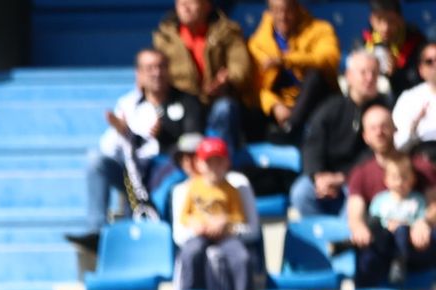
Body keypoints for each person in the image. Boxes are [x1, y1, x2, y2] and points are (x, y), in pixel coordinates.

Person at [69, 48, 204, 250]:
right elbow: (108, 149)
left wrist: (165, 137)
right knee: (95, 160)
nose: (156, 73)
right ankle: (97, 232)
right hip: (133, 173)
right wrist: (121, 132)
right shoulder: (128, 104)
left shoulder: (187, 102)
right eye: (150, 68)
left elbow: (194, 142)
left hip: (170, 172)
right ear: (139, 74)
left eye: (161, 67)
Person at [346, 102, 436, 285]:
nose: (379, 132)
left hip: (416, 242)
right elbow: (355, 214)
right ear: (365, 136)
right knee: (365, 255)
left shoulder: (421, 167)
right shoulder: (361, 173)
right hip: (382, 243)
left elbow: (434, 205)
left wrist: (424, 222)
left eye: (384, 126)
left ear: (395, 129)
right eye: (373, 128)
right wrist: (359, 228)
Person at [292, 51, 388, 217]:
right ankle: (322, 233)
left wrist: (342, 177)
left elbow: (376, 154)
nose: (369, 78)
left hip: (359, 180)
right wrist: (318, 176)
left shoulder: (383, 112)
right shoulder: (331, 107)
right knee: (301, 193)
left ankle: (345, 234)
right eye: (363, 72)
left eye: (374, 73)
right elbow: (313, 144)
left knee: (353, 211)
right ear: (349, 76)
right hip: (326, 176)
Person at [172, 136, 251, 290]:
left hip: (225, 237)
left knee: (242, 257)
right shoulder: (192, 187)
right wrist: (196, 224)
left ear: (227, 163)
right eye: (209, 162)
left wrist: (225, 222)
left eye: (219, 162)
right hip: (200, 235)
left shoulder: (231, 189)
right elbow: (184, 217)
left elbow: (239, 217)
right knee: (190, 254)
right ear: (200, 164)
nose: (214, 167)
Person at [152, 0, 251, 153]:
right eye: (180, 2)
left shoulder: (226, 32)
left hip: (215, 103)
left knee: (225, 108)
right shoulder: (165, 37)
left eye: (191, 2)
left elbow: (241, 67)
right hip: (182, 106)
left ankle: (220, 159)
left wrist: (227, 79)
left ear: (206, 5)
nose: (185, 7)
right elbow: (153, 71)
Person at [247, 0, 340, 144]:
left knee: (315, 76)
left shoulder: (320, 30)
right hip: (280, 105)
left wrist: (287, 60)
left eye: (288, 10)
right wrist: (274, 106)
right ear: (269, 11)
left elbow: (329, 58)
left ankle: (290, 128)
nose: (283, 17)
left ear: (297, 8)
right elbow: (255, 88)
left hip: (314, 102)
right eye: (277, 10)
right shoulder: (258, 43)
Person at [366, 152, 429, 283]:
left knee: (401, 230)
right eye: (395, 178)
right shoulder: (380, 200)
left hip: (406, 242)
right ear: (386, 179)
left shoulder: (417, 200)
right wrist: (388, 224)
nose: (400, 182)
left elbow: (420, 221)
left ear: (413, 179)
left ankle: (399, 263)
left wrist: (405, 225)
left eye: (404, 178)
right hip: (385, 240)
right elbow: (374, 221)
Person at [363, 0, 427, 99]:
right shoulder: (364, 43)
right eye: (379, 19)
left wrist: (396, 73)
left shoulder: (417, 44)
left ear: (400, 20)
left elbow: (422, 85)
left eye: (391, 20)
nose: (385, 28)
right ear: (372, 20)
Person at [393, 41, 436, 163]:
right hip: (421, 158)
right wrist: (413, 126)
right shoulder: (409, 99)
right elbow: (397, 144)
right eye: (429, 61)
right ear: (421, 69)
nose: (435, 65)